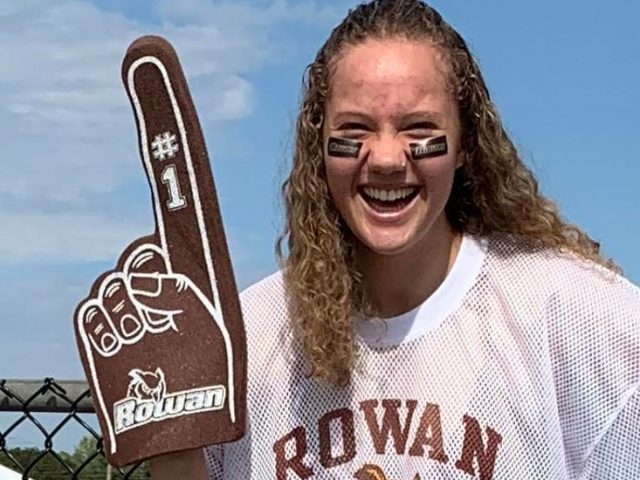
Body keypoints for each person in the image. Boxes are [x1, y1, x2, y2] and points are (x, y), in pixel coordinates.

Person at [151, 0, 640, 478]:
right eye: (355, 129)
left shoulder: (578, 318)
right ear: (318, 146)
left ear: (466, 142)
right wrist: (168, 450)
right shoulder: (249, 341)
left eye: (418, 127)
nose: (385, 157)